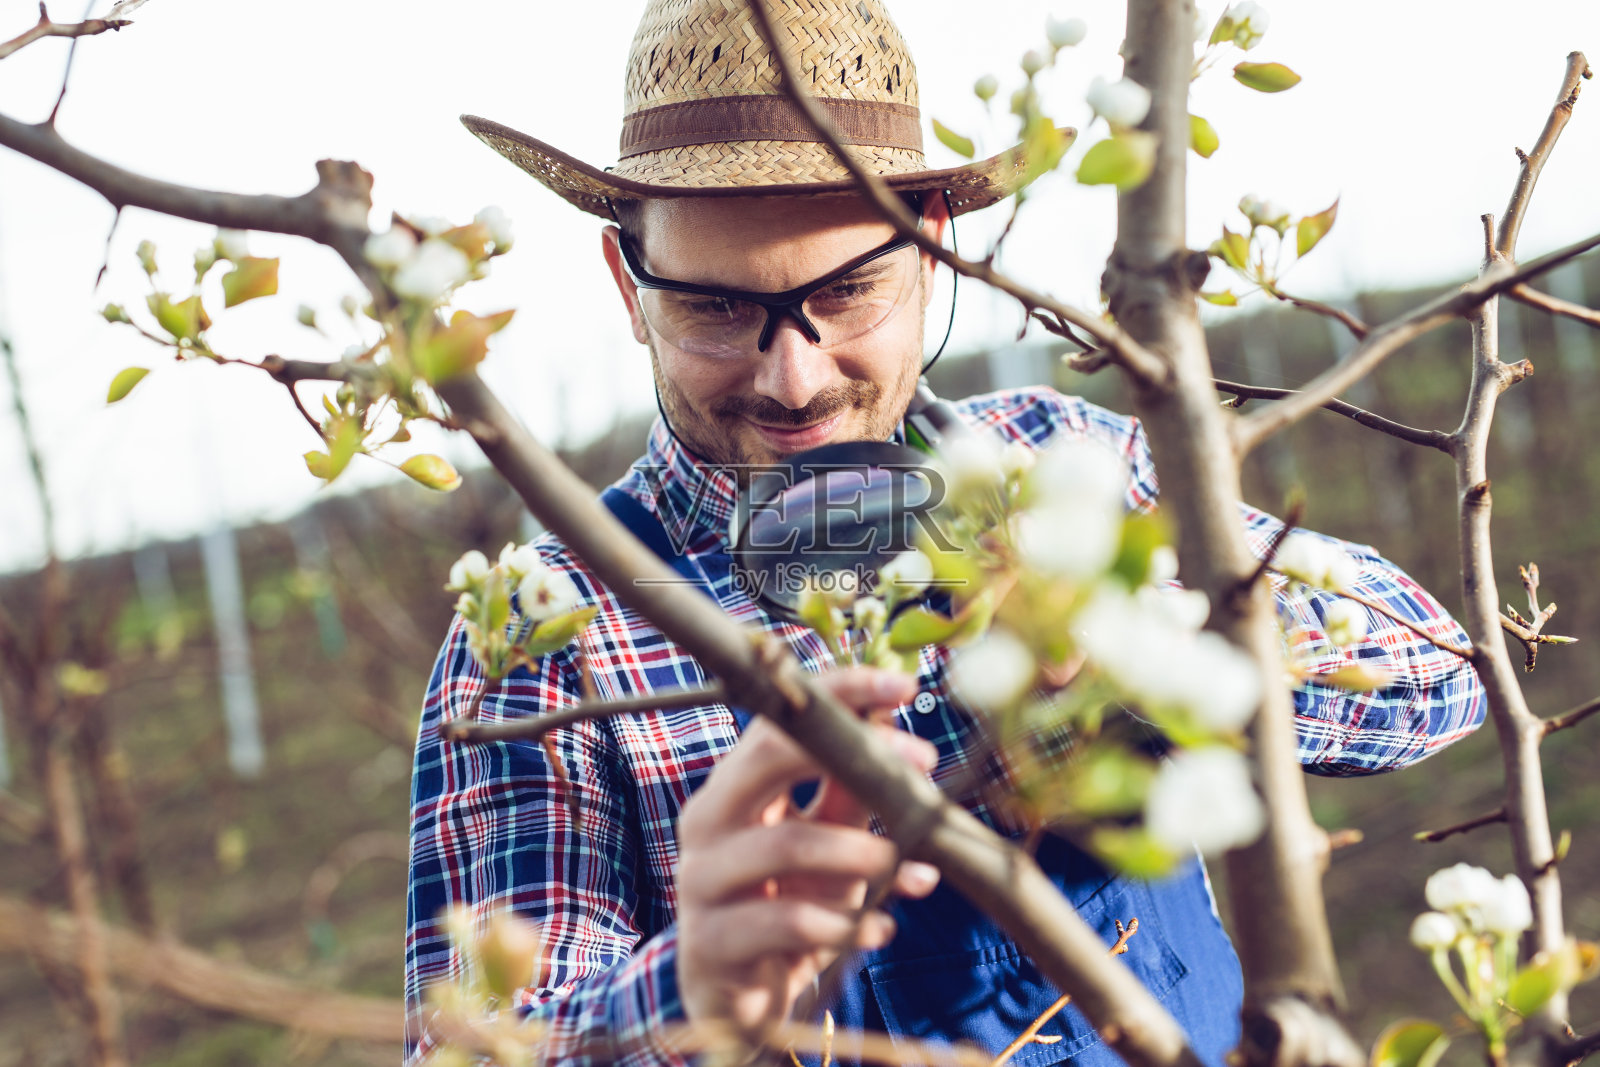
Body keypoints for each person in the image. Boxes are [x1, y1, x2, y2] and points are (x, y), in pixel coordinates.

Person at [406, 1, 1486, 1064]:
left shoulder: (1061, 460)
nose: (795, 377)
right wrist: (693, 996)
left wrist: (1137, 643)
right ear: (626, 283)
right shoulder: (544, 634)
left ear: (930, 248)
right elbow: (484, 1049)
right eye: (715, 309)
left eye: (849, 289)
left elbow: (1439, 669)